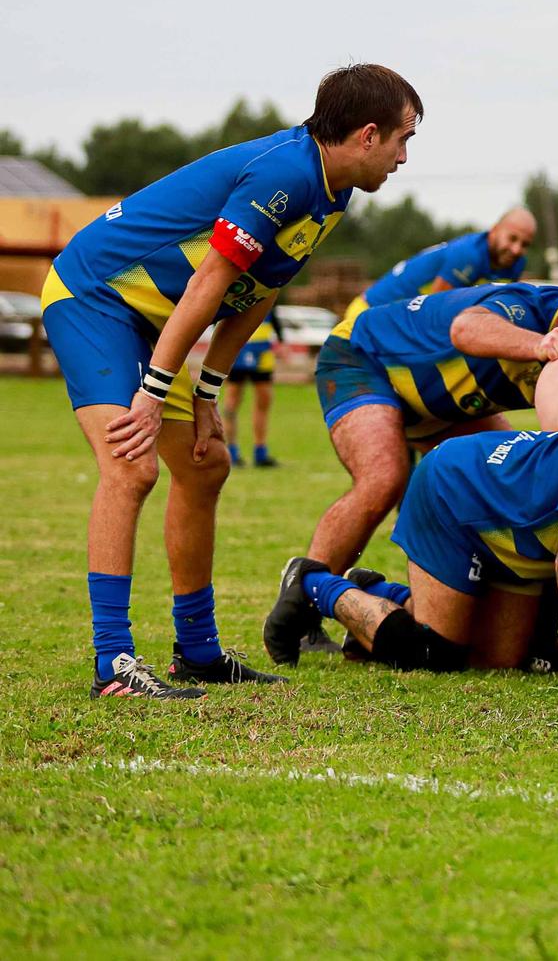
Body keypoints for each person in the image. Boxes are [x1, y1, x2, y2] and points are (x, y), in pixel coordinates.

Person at [41, 63, 421, 700]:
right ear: (367, 134)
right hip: (96, 297)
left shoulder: (331, 192)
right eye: (403, 139)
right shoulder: (285, 173)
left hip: (153, 317)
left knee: (206, 463)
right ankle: (114, 664)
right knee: (130, 465)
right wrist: (156, 391)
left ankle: (196, 651)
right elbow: (209, 282)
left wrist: (209, 390)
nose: (404, 157)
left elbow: (258, 290)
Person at [261, 281, 558, 663]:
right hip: (365, 358)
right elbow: (465, 329)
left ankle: (532, 634)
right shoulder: (530, 308)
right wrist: (539, 344)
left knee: (519, 489)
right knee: (383, 479)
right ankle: (306, 590)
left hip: (443, 402)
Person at [291, 416, 558, 684]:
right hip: (455, 493)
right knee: (435, 652)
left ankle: (375, 593)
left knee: (496, 659)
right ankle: (314, 583)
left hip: (516, 542)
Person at [343, 208, 537, 318]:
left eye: (525, 244)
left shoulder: (516, 263)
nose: (517, 249)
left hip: (400, 315)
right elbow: (436, 312)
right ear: (494, 230)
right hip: (370, 311)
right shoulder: (468, 255)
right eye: (512, 238)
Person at [224, 306, 283, 467]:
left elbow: (274, 315)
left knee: (264, 401)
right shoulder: (232, 289)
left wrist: (281, 341)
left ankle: (260, 452)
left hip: (262, 353)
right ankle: (231, 452)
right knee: (231, 402)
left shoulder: (269, 286)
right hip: (237, 352)